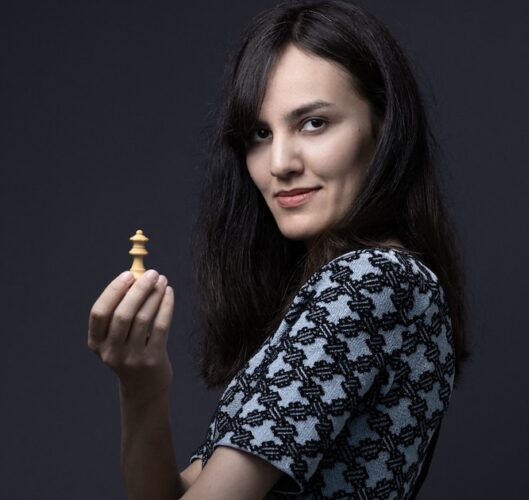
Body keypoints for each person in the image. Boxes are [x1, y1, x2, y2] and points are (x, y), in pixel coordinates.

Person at [86, 1, 468, 498]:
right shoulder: (367, 286)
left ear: (383, 127)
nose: (279, 163)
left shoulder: (372, 281)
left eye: (313, 123)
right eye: (260, 134)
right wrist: (142, 387)